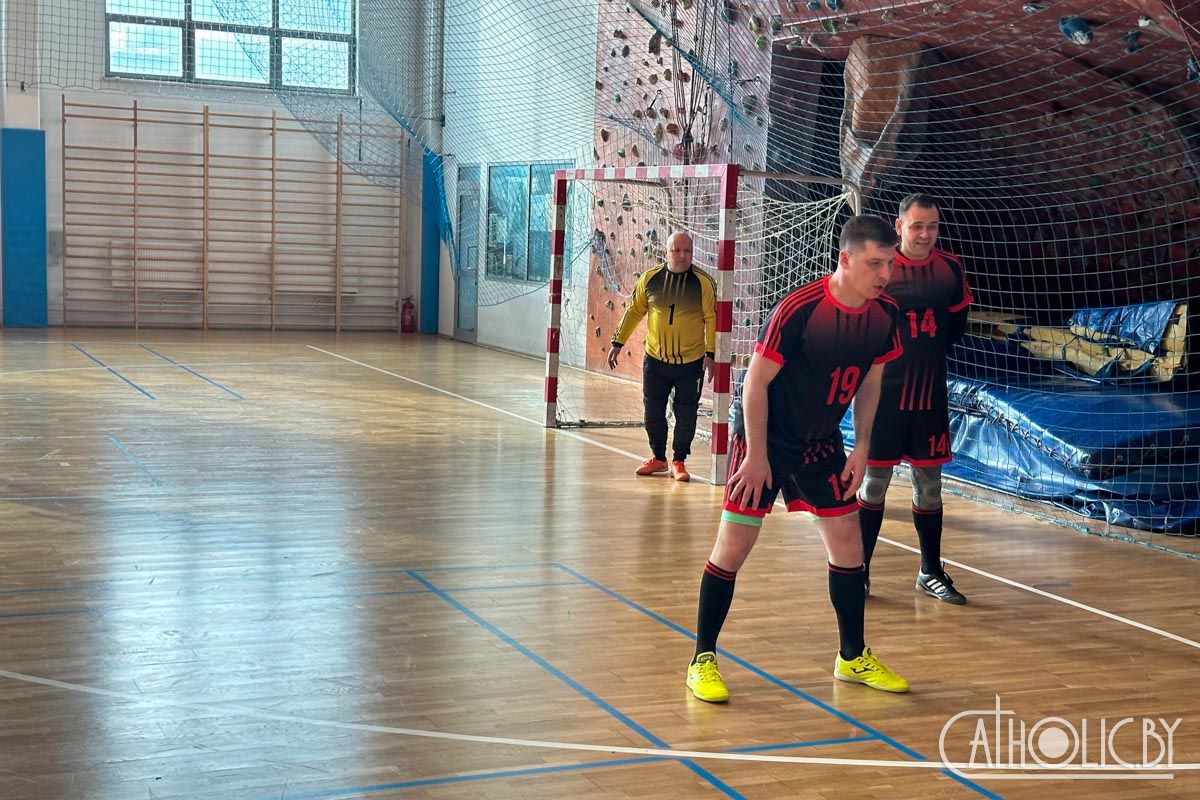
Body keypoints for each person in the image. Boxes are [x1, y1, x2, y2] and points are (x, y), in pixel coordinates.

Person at [686, 215, 908, 703]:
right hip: (765, 439)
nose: (885, 274)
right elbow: (754, 384)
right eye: (875, 263)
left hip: (822, 442)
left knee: (848, 544)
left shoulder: (885, 314)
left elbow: (871, 383)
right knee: (733, 547)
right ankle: (702, 659)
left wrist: (862, 447)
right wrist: (756, 456)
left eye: (890, 264)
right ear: (845, 259)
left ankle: (852, 656)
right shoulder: (800, 309)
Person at [857, 194, 973, 604]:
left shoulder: (950, 268)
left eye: (932, 226)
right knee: (874, 484)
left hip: (928, 395)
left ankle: (930, 571)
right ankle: (859, 571)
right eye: (917, 226)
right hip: (884, 396)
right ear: (899, 226)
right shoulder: (882, 268)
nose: (925, 234)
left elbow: (956, 326)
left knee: (930, 486)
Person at [609, 231, 716, 482]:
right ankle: (658, 458)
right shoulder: (650, 279)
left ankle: (679, 461)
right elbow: (634, 311)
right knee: (653, 411)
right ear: (666, 252)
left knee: (686, 412)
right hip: (655, 360)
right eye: (677, 250)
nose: (683, 255)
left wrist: (711, 353)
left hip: (691, 362)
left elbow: (712, 318)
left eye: (687, 251)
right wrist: (618, 342)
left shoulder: (703, 283)